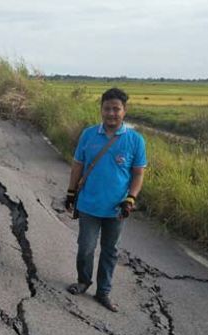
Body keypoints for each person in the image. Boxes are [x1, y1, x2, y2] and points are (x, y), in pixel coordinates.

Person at [64, 87, 147, 312]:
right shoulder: (88, 135)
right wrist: (71, 192)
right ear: (101, 110)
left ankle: (103, 292)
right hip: (89, 204)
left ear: (124, 111)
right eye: (107, 109)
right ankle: (83, 281)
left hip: (117, 208)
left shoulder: (135, 140)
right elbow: (78, 165)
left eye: (116, 109)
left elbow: (138, 173)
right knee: (86, 248)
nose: (112, 113)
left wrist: (131, 198)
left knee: (110, 251)